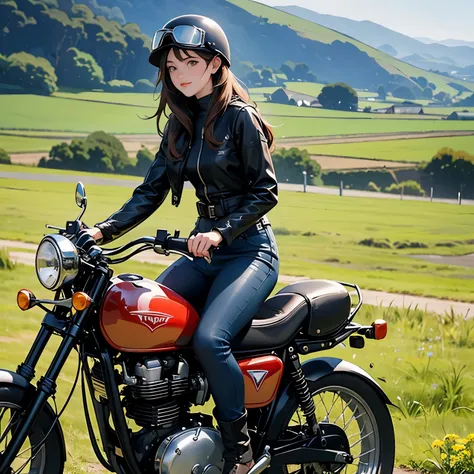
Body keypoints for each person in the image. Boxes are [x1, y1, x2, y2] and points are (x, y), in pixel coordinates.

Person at [83, 14, 279, 474]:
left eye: (189, 61)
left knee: (211, 340)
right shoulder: (180, 123)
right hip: (203, 251)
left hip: (248, 251)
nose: (179, 73)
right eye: (172, 66)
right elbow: (150, 191)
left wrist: (220, 230)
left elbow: (265, 192)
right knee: (151, 324)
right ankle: (166, 434)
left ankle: (238, 452)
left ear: (215, 64)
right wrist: (100, 231)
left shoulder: (240, 119)